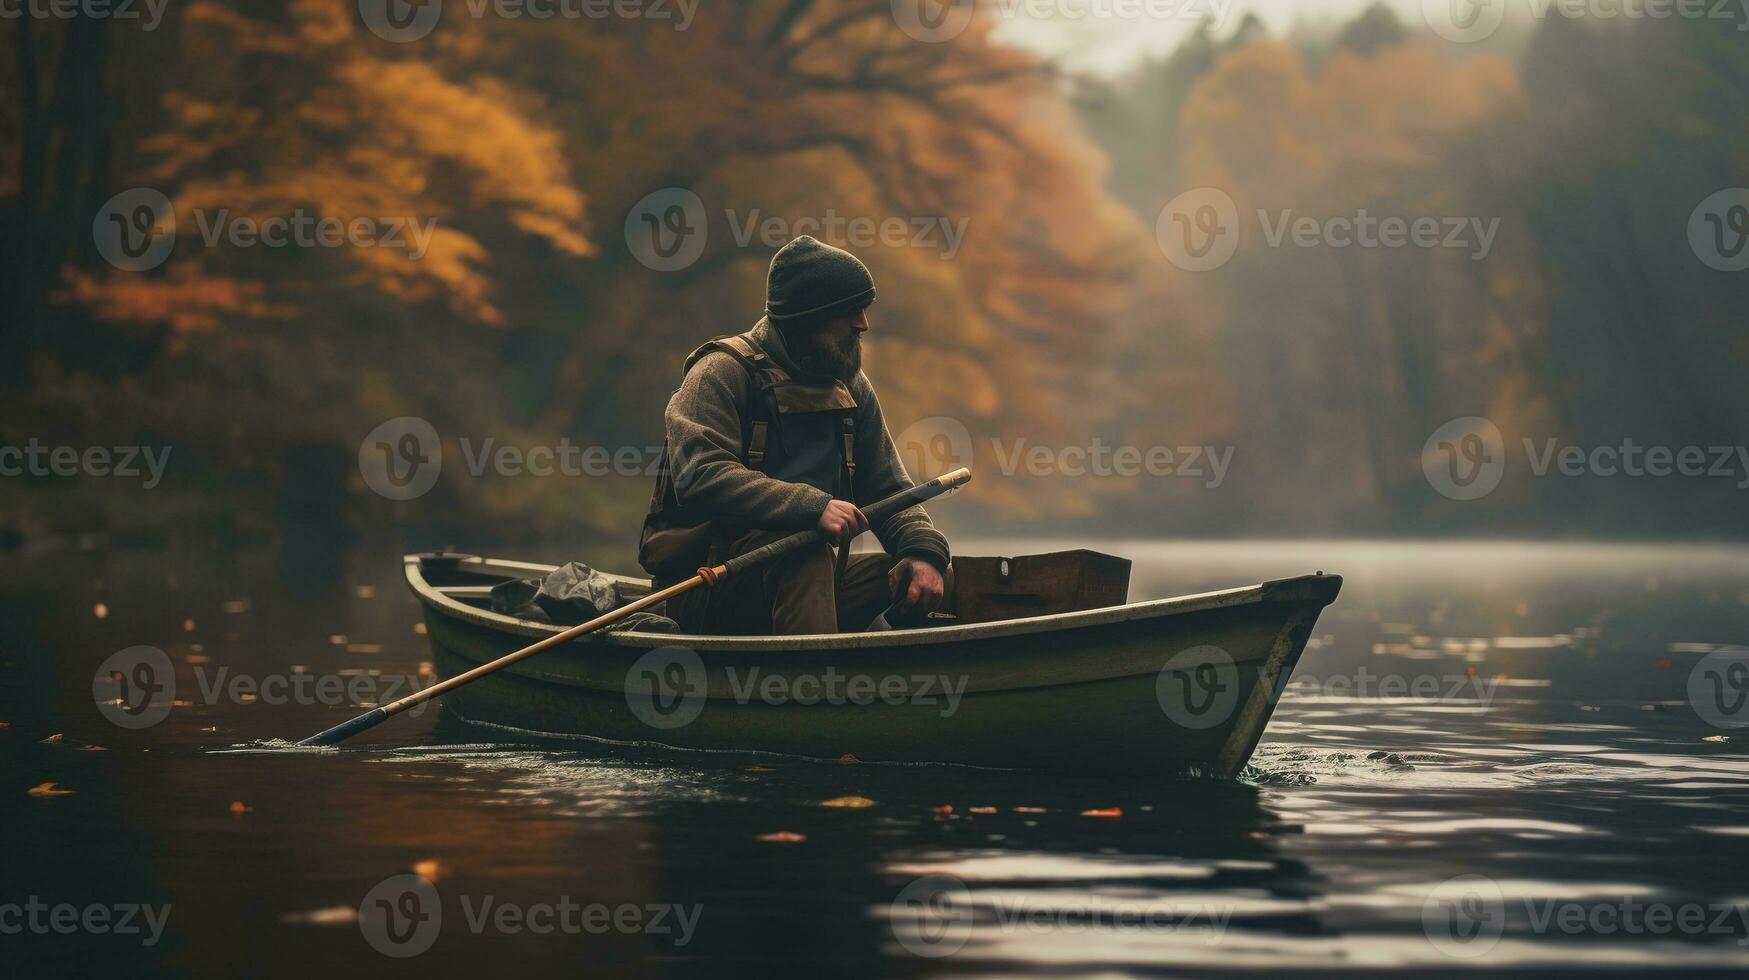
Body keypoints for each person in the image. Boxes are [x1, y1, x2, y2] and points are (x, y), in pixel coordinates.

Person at [640, 235, 951, 634]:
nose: (863, 323)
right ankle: (807, 689)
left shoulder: (849, 386)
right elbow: (699, 474)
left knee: (927, 574)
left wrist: (923, 549)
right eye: (850, 311)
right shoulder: (720, 374)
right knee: (805, 555)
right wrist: (813, 506)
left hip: (811, 584)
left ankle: (888, 677)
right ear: (809, 316)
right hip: (709, 589)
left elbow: (887, 488)